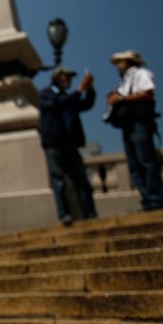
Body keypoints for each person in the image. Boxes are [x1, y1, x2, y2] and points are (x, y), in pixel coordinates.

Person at [106, 50, 163, 211]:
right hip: (128, 124)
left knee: (146, 160)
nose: (118, 66)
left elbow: (148, 94)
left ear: (128, 62)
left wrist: (121, 99)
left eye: (120, 62)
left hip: (140, 122)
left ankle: (155, 198)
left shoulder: (142, 74)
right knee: (134, 164)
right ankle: (147, 199)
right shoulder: (124, 82)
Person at [39, 67, 98, 226]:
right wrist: (79, 91)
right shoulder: (46, 93)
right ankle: (64, 214)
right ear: (57, 78)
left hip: (69, 142)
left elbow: (85, 104)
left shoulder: (68, 97)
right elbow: (57, 104)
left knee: (81, 179)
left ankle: (90, 213)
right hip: (53, 142)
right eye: (67, 76)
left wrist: (89, 89)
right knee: (58, 180)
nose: (70, 80)